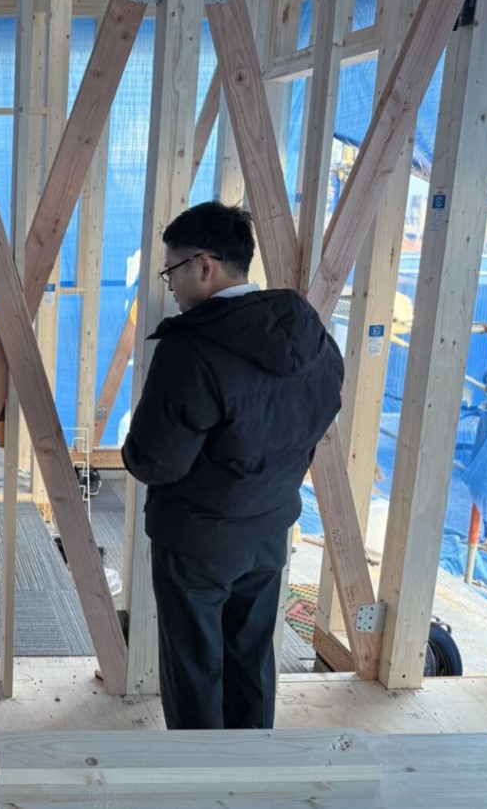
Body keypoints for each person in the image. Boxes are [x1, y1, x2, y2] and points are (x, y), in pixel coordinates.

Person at [121, 201, 342, 730]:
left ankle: (202, 774)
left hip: (198, 541)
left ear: (204, 265)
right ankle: (253, 766)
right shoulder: (307, 329)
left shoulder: (191, 348)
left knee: (195, 670)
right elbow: (324, 406)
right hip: (269, 530)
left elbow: (154, 461)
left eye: (171, 271)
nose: (170, 286)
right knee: (252, 659)